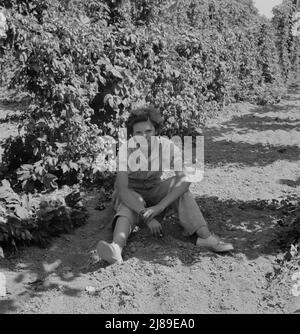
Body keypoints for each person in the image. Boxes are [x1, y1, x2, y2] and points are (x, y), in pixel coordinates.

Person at [97, 105, 234, 264]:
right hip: (131, 194)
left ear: (156, 130)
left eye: (148, 131)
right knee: (127, 206)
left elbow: (185, 179)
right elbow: (122, 189)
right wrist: (146, 216)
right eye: (138, 133)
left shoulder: (167, 146)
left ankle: (204, 237)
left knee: (181, 189)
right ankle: (116, 248)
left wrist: (160, 207)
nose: (144, 136)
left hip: (155, 190)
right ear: (132, 135)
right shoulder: (125, 151)